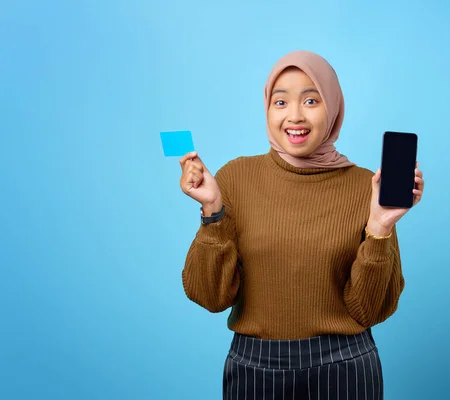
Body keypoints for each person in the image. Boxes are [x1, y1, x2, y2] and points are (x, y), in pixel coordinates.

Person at [179, 50, 424, 399]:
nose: (294, 116)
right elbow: (209, 296)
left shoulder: (366, 187)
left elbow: (370, 310)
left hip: (345, 368)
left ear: (333, 107)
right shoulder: (234, 179)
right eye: (280, 102)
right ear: (267, 108)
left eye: (311, 100)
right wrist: (212, 211)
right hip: (254, 370)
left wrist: (380, 226)